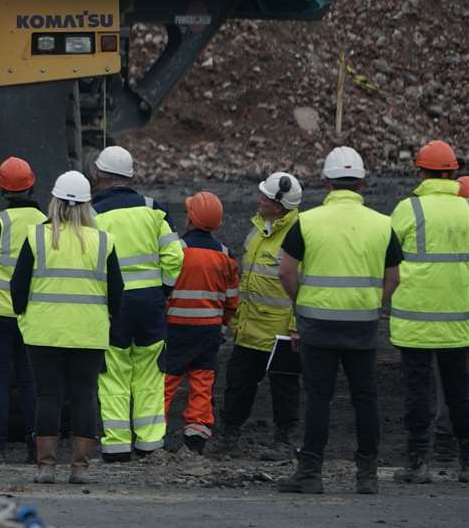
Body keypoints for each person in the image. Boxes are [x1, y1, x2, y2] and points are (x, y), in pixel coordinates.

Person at [275, 147, 402, 496]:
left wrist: (301, 304)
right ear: (362, 182)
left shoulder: (308, 221)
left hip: (317, 324)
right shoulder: (382, 223)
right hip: (361, 325)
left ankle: (311, 472)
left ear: (326, 182)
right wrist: (374, 304)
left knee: (318, 397)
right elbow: (394, 277)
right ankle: (367, 475)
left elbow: (285, 271)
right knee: (366, 397)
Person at [12, 170, 124, 485]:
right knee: (84, 396)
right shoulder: (103, 240)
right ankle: (80, 468)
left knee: (47, 396)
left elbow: (17, 289)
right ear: (88, 205)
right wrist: (107, 319)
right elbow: (117, 293)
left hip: (43, 332)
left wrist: (25, 317)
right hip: (88, 333)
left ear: (55, 202)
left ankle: (46, 467)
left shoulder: (36, 237)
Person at [88, 145, 184, 461]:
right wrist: (163, 291)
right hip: (150, 304)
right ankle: (149, 443)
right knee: (149, 373)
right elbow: (174, 256)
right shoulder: (153, 209)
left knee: (114, 372)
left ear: (98, 174)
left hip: (112, 305)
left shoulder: (91, 214)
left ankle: (116, 446)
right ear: (131, 176)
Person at [389, 140, 469, 484]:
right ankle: (466, 464)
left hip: (414, 321)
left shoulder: (408, 209)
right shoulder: (467, 210)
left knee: (419, 392)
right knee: (461, 391)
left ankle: (418, 463)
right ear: (453, 172)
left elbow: (386, 255)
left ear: (420, 171)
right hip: (459, 322)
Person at [218, 171, 303, 461]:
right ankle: (228, 436)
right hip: (249, 327)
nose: (259, 199)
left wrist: (295, 326)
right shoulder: (257, 228)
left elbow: (304, 286)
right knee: (238, 384)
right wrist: (237, 319)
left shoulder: (298, 236)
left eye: (265, 196)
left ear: (279, 206)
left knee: (284, 388)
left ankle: (284, 440)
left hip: (280, 334)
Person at [0, 156, 46, 463]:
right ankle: (35, 446)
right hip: (32, 312)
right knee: (30, 381)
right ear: (32, 184)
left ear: (0, 186)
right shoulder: (46, 223)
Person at [160, 191, 238, 453]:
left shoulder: (177, 251)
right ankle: (196, 437)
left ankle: (152, 432)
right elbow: (231, 300)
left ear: (189, 218)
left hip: (176, 329)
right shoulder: (226, 255)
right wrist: (222, 324)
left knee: (166, 381)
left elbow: (165, 290)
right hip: (209, 332)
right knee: (202, 383)